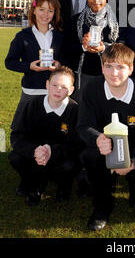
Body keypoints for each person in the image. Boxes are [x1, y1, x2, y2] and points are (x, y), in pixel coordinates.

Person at [77, 43, 135, 231]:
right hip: (103, 145)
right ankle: (101, 208)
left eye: (120, 67)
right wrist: (98, 138)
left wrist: (134, 160)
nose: (114, 73)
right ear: (102, 67)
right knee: (90, 157)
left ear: (130, 69)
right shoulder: (91, 88)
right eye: (109, 66)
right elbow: (83, 125)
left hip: (133, 148)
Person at [9, 66, 84, 206]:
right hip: (36, 154)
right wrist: (34, 150)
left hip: (59, 157)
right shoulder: (32, 105)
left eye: (64, 87)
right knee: (15, 157)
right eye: (54, 85)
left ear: (72, 90)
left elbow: (76, 143)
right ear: (47, 85)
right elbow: (17, 136)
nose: (58, 90)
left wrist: (52, 151)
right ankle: (31, 182)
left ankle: (64, 184)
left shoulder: (74, 110)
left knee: (69, 165)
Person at [5, 0, 64, 128]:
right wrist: (29, 66)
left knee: (53, 130)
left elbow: (66, 60)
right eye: (41, 9)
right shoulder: (23, 36)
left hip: (55, 93)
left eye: (50, 10)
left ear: (55, 13)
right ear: (34, 11)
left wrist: (60, 65)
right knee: (23, 129)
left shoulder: (60, 36)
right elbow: (9, 62)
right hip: (31, 91)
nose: (45, 14)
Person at [62, 0, 119, 102]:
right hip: (81, 79)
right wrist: (83, 46)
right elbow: (65, 51)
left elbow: (124, 50)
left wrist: (104, 47)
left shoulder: (118, 22)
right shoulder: (74, 21)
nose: (96, 0)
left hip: (111, 77)